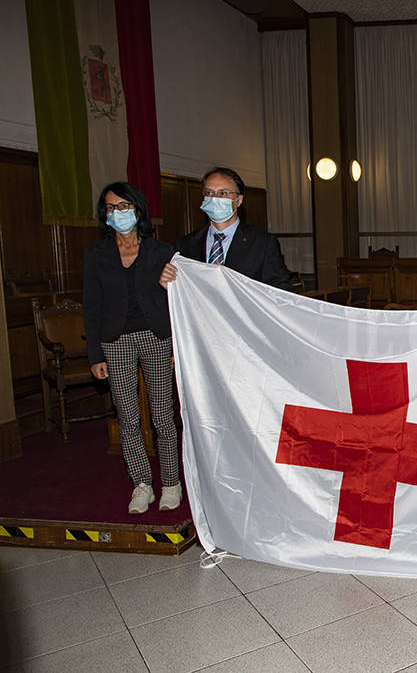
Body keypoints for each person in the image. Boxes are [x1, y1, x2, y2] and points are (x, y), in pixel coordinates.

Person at [83, 182, 179, 514]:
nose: (118, 213)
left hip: (156, 337)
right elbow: (91, 306)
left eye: (124, 206)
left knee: (162, 414)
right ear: (104, 215)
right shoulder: (95, 256)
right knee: (127, 415)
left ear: (138, 210)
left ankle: (170, 482)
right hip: (115, 341)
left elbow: (176, 302)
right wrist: (95, 355)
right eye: (111, 208)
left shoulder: (162, 251)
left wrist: (175, 347)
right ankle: (142, 484)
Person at [159, 167, 290, 290]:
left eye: (223, 193)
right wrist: (171, 286)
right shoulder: (187, 244)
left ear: (238, 200)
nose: (215, 198)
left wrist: (234, 285)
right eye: (209, 192)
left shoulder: (263, 243)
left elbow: (279, 291)